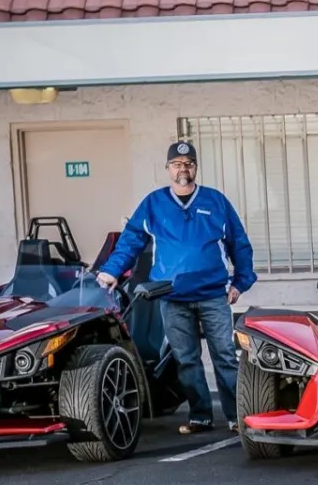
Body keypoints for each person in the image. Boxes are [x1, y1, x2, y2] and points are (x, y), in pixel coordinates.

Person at [96, 140, 255, 434]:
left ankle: (236, 417)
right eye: (177, 164)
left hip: (213, 295)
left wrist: (240, 282)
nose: (184, 169)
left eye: (189, 164)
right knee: (186, 360)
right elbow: (130, 241)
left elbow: (239, 243)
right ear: (168, 169)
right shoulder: (153, 204)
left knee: (224, 356)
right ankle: (201, 417)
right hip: (173, 298)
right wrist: (111, 271)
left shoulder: (216, 202)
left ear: (195, 168)